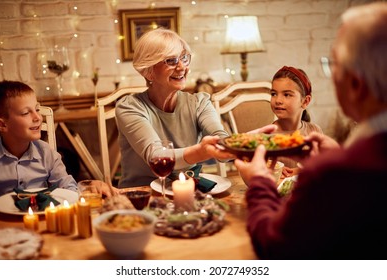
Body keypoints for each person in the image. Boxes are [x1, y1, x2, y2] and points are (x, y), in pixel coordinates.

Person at [234, 2, 387, 259]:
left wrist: (260, 180)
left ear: (356, 83)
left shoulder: (338, 171)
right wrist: (338, 155)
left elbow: (275, 247)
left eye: (334, 64)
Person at [115, 28, 233, 187]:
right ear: (148, 72)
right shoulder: (129, 107)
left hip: (188, 190)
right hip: (142, 196)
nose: (182, 67)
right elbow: (157, 157)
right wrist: (203, 151)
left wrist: (242, 144)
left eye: (184, 58)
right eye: (171, 60)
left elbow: (222, 145)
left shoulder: (200, 103)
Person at [0, 80, 77, 197]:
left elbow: (68, 187)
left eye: (37, 109)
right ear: (2, 125)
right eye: (25, 113)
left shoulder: (46, 153)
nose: (38, 117)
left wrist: (87, 187)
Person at [270, 66, 323, 176]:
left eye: (287, 95)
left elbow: (322, 166)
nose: (278, 100)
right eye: (274, 94)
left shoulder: (315, 132)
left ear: (305, 101)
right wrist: (275, 168)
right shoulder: (267, 136)